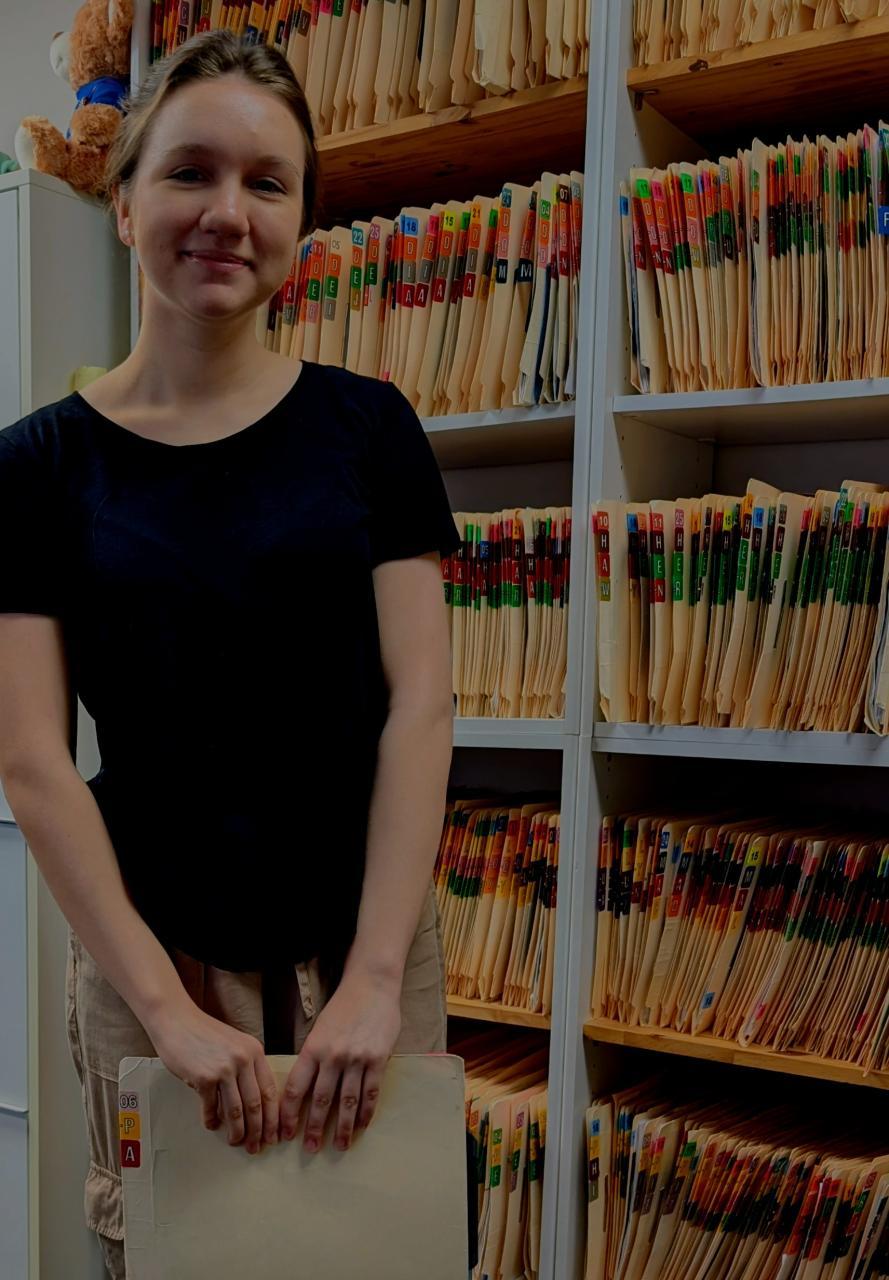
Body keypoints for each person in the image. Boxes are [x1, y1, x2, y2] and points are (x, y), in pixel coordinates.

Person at [0, 30, 460, 1279]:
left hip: (364, 945)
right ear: (123, 201)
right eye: (189, 172)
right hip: (155, 959)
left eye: (267, 182)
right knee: (165, 1255)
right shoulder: (37, 467)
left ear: (301, 220)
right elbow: (33, 759)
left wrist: (375, 981)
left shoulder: (369, 429)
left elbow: (421, 704)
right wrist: (165, 1010)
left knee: (374, 1254)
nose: (227, 212)